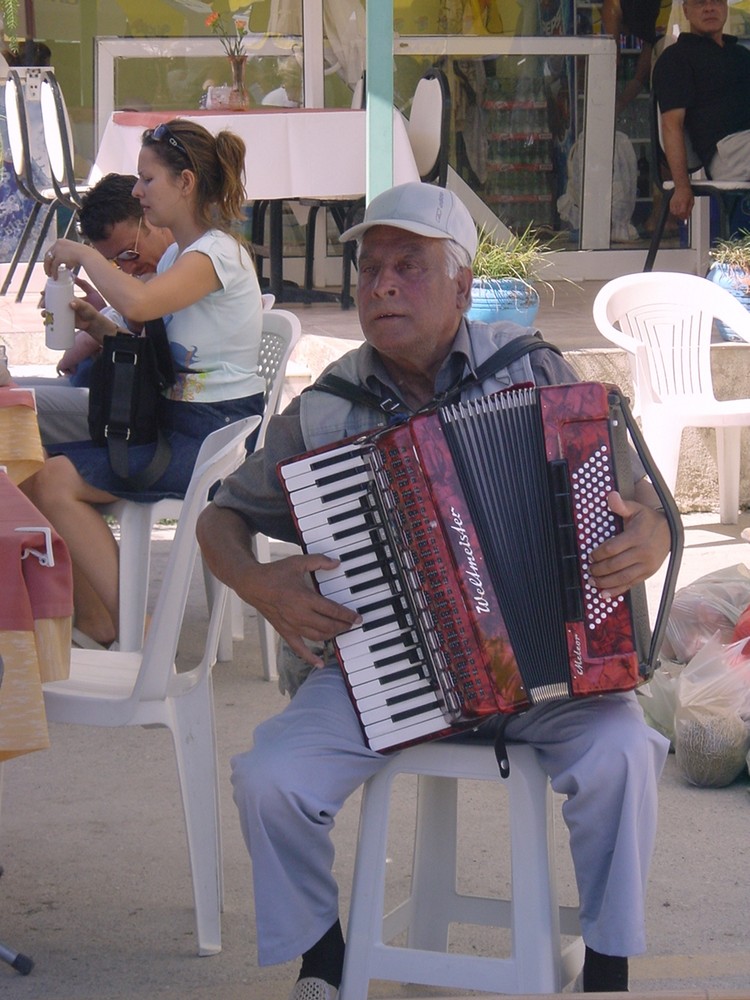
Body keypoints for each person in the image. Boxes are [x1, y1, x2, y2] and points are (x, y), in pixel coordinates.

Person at [196, 182, 672, 1000]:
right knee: (269, 775)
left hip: (547, 675)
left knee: (625, 751)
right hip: (381, 675)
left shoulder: (533, 372)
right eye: (370, 268)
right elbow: (220, 520)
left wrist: (650, 541)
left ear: (461, 284)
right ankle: (324, 957)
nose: (381, 284)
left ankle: (607, 969)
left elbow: (643, 506)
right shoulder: (325, 410)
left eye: (408, 267)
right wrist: (258, 580)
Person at [22, 119, 265, 648]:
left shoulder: (216, 255)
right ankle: (104, 620)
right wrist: (95, 324)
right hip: (177, 425)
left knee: (54, 480)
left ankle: (136, 627)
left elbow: (141, 303)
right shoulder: (182, 254)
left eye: (146, 180)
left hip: (212, 438)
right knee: (37, 475)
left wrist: (86, 254)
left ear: (185, 183)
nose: (137, 191)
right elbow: (150, 342)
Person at [17, 172, 174, 446]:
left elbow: (149, 371)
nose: (128, 268)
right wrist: (97, 316)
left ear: (155, 217)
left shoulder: (184, 270)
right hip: (119, 394)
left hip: (141, 415)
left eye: (129, 253)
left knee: (11, 408)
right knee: (10, 393)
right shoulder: (155, 272)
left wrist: (85, 257)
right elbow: (142, 352)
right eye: (114, 263)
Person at [652, 0, 750, 222]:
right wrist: (681, 185)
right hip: (725, 153)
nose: (709, 8)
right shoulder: (676, 58)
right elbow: (671, 124)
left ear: (725, 7)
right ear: (686, 10)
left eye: (716, 1)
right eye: (699, 3)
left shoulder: (742, 56)